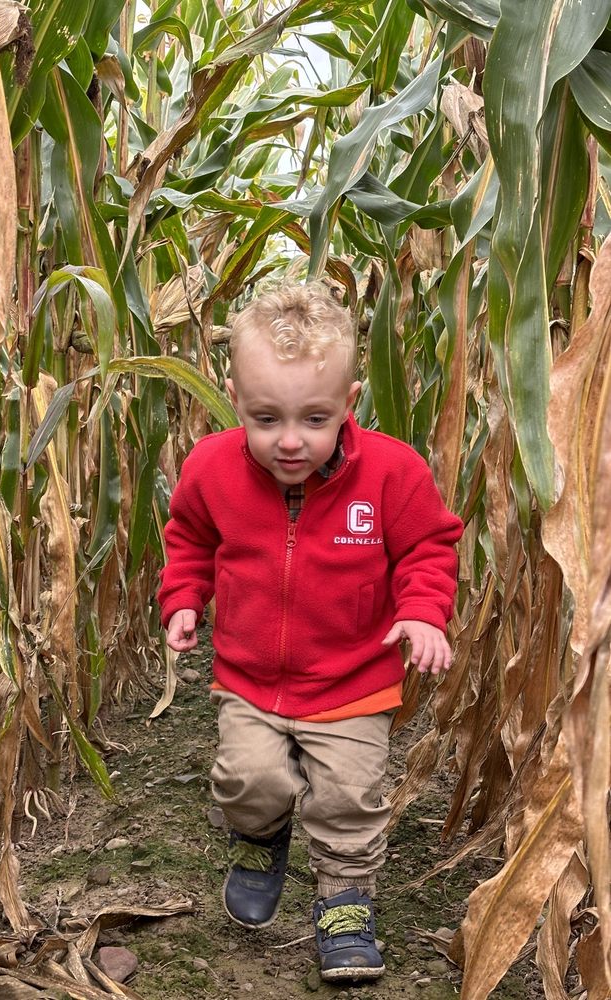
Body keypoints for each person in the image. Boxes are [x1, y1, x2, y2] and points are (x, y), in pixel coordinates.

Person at [157, 283, 463, 982]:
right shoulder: (210, 469)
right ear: (235, 399)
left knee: (349, 797)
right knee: (246, 778)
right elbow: (190, 539)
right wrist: (183, 599)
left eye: (314, 418)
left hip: (353, 681)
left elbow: (428, 548)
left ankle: (345, 899)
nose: (289, 440)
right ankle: (261, 839)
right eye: (266, 419)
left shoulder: (392, 473)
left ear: (349, 402)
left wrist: (421, 611)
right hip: (249, 678)